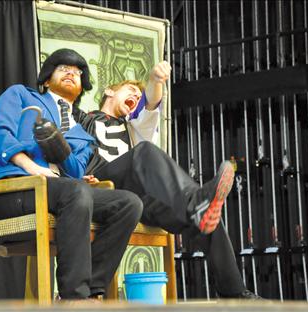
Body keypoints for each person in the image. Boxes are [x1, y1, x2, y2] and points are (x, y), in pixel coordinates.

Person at [75, 60, 262, 299]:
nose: (135, 93)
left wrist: (154, 81)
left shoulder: (132, 125)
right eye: (129, 89)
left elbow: (150, 102)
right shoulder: (82, 118)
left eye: (137, 92)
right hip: (100, 186)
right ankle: (196, 202)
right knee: (144, 151)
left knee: (203, 219)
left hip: (133, 198)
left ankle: (234, 292)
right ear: (110, 91)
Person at [0, 48, 143, 301]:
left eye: (78, 72)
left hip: (57, 194)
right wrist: (31, 166)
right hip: (12, 191)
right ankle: (73, 297)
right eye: (63, 68)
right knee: (75, 191)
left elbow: (75, 170)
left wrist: (59, 147)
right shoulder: (21, 95)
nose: (71, 73)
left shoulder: (81, 133)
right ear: (47, 79)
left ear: (81, 88)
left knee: (128, 203)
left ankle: (91, 292)